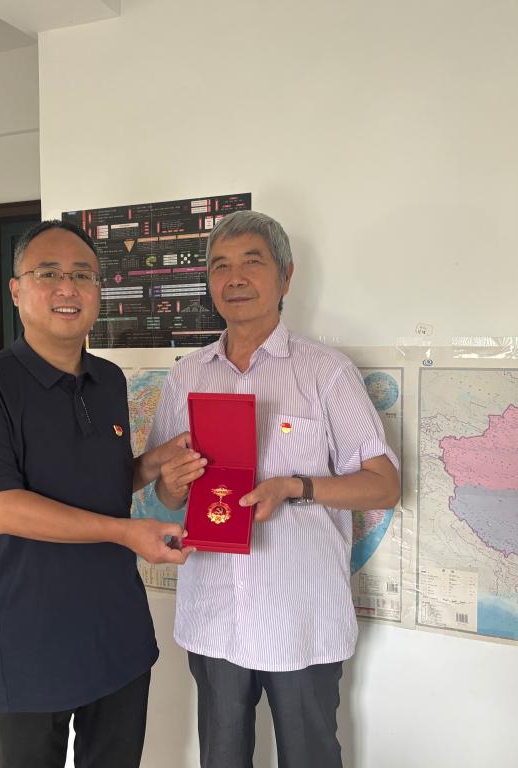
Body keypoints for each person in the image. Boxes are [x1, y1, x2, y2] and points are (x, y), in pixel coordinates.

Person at [148, 210, 401, 768]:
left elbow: (384, 485)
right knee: (221, 757)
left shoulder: (326, 372)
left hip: (299, 615)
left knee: (309, 757)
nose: (234, 278)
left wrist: (294, 487)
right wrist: (171, 484)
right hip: (214, 614)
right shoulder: (187, 375)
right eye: (220, 266)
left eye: (251, 262)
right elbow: (166, 495)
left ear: (285, 276)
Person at [0, 220, 193, 768]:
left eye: (83, 275)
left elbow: (99, 484)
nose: (68, 287)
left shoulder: (110, 381)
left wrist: (150, 465)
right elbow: (1, 509)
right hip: (28, 641)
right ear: (17, 290)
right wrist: (127, 533)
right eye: (49, 273)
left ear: (99, 292)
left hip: (116, 632)